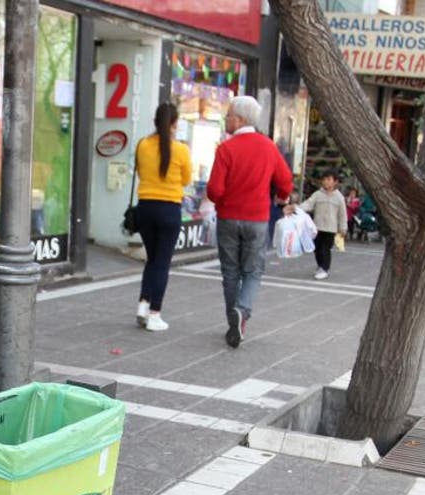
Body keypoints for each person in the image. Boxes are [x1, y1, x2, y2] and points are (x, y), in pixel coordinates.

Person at [206, 95, 293, 348]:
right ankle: (242, 313)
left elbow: (214, 190)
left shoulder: (226, 149)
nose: (226, 119)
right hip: (257, 218)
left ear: (240, 119)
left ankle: (233, 318)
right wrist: (281, 197)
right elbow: (285, 180)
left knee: (230, 271)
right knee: (253, 271)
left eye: (229, 115)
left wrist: (222, 202)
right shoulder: (268, 146)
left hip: (229, 218)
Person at [133, 103, 192, 332]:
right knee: (162, 263)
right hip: (169, 210)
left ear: (155, 121)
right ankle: (155, 314)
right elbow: (186, 179)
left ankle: (143, 304)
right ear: (175, 124)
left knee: (152, 258)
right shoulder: (181, 150)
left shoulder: (143, 145)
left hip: (145, 207)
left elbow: (139, 172)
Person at [299, 170, 348, 279]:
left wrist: (343, 228)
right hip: (317, 227)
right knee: (317, 248)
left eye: (328, 179)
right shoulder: (318, 194)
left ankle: (325, 268)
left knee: (325, 249)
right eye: (324, 179)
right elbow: (308, 204)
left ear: (335, 182)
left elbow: (342, 214)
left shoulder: (339, 197)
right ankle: (320, 265)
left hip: (331, 229)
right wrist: (298, 208)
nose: (325, 182)